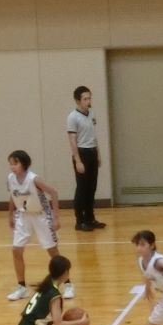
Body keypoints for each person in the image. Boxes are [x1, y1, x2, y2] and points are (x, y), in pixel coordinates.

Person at [4, 150, 73, 302]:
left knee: (52, 251)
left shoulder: (33, 179)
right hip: (23, 216)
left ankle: (68, 284)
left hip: (41, 216)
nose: (12, 167)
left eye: (15, 163)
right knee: (16, 250)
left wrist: (56, 217)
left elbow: (54, 193)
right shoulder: (11, 178)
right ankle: (21, 287)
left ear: (24, 163)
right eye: (10, 163)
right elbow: (12, 196)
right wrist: (10, 214)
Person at [65, 85, 103, 232]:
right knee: (82, 188)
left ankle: (90, 218)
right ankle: (79, 221)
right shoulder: (72, 117)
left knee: (91, 188)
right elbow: (72, 140)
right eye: (85, 99)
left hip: (92, 152)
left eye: (89, 98)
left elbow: (93, 135)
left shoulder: (91, 113)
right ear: (78, 100)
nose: (88, 101)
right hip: (82, 153)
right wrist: (78, 160)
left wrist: (98, 154)